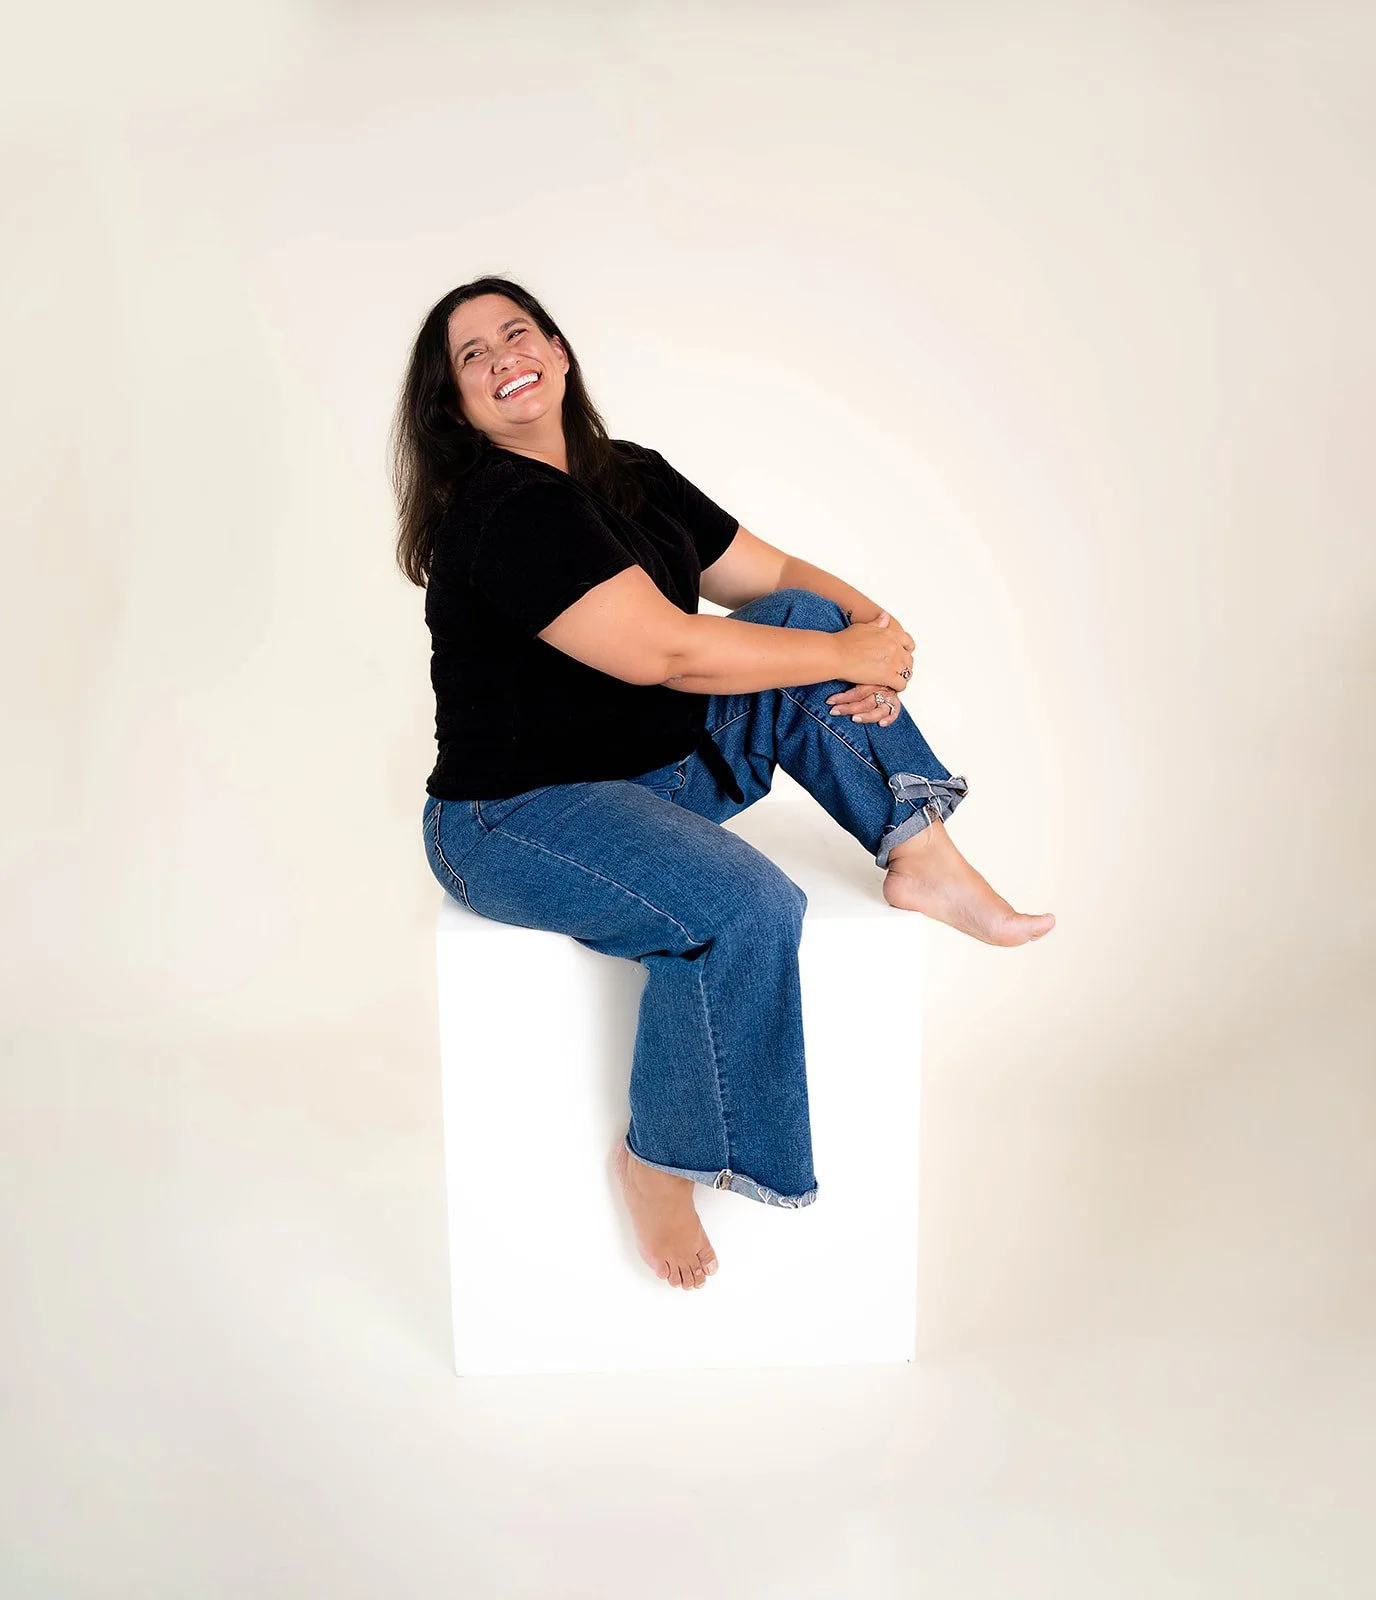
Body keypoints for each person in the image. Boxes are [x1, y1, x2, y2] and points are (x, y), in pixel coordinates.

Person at [392, 274, 1055, 1293]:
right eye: (469, 357)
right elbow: (666, 653)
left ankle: (920, 853)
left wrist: (877, 637)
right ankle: (660, 1157)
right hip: (513, 817)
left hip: (650, 778)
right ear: (456, 404)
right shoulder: (502, 507)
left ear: (559, 352)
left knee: (800, 624)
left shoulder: (630, 475)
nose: (498, 359)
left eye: (514, 334)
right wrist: (851, 654)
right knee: (745, 906)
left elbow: (773, 576)